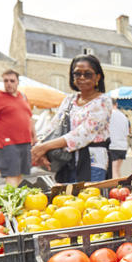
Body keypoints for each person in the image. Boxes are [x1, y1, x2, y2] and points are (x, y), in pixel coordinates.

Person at [32, 55, 110, 183]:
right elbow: (53, 126)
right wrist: (40, 146)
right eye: (77, 74)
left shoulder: (103, 101)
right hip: (66, 161)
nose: (82, 78)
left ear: (98, 77)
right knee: (65, 200)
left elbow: (83, 134)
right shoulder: (69, 100)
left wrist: (45, 147)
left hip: (92, 163)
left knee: (89, 200)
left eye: (88, 74)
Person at [0, 70, 35, 186]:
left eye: (12, 81)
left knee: (20, 175)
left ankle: (17, 201)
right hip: (8, 143)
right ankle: (12, 203)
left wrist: (34, 137)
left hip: (25, 142)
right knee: (12, 176)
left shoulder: (23, 97)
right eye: (6, 81)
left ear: (17, 82)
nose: (9, 83)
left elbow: (29, 118)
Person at [108, 100, 130, 179]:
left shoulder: (109, 114)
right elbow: (127, 133)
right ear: (116, 104)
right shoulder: (123, 116)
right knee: (117, 170)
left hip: (113, 145)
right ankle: (119, 189)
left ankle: (116, 190)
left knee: (113, 171)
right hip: (122, 146)